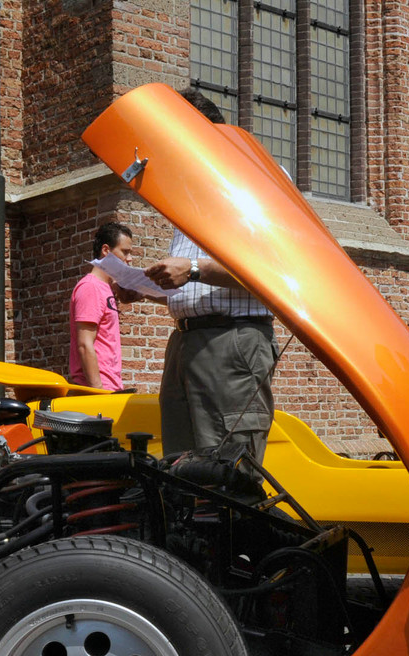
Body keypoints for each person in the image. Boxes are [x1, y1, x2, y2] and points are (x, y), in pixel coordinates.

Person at [145, 88, 279, 465]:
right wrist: (151, 289)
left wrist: (190, 270)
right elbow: (199, 284)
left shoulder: (255, 178)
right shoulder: (187, 190)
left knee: (228, 474)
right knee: (180, 472)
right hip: (186, 344)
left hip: (231, 342)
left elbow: (271, 267)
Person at [69, 221, 133, 390]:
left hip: (111, 388)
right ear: (106, 250)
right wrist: (98, 392)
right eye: (125, 252)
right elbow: (84, 345)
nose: (130, 258)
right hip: (98, 391)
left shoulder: (106, 288)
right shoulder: (91, 287)